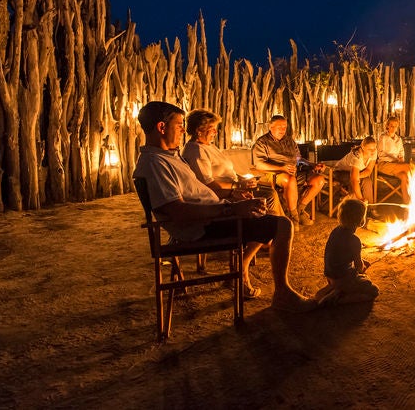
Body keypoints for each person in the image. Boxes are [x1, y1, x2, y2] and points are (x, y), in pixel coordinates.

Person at [133, 101, 315, 311]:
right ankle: (282, 292)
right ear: (161, 127)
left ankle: (249, 264)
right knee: (282, 225)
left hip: (212, 214)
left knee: (262, 208)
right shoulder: (156, 163)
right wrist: (230, 208)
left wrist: (233, 196)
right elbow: (178, 211)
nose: (184, 130)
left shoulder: (169, 157)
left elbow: (196, 193)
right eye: (180, 125)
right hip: (202, 226)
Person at [181, 108, 283, 215]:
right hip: (221, 194)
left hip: (233, 187)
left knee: (270, 192)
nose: (215, 132)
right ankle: (275, 224)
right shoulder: (196, 151)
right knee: (268, 195)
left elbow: (227, 171)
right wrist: (237, 186)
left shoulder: (209, 146)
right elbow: (208, 185)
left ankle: (280, 223)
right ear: (199, 130)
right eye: (212, 129)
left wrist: (243, 180)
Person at [252, 115, 326, 226]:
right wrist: (281, 168)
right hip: (275, 174)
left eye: (284, 127)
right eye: (279, 127)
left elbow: (298, 159)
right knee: (290, 180)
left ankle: (300, 210)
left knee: (319, 179)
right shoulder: (262, 143)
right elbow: (259, 165)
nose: (283, 130)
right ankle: (294, 217)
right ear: (271, 127)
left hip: (295, 172)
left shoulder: (289, 141)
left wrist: (312, 164)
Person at [314, 198, 379, 306]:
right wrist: (363, 266)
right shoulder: (355, 240)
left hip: (329, 275)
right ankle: (339, 298)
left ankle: (332, 287)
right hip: (342, 278)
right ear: (361, 220)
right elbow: (359, 267)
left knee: (360, 278)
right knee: (373, 290)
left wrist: (361, 262)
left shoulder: (336, 231)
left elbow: (341, 255)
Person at [333, 136, 378, 206]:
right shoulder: (357, 156)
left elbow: (368, 170)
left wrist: (358, 176)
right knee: (355, 184)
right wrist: (361, 198)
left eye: (374, 148)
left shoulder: (374, 152)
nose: (372, 151)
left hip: (355, 173)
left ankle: (370, 209)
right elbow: (354, 180)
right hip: (340, 172)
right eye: (369, 149)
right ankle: (355, 208)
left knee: (367, 181)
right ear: (363, 147)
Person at [376, 117, 412, 202]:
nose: (393, 128)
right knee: (410, 168)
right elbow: (380, 153)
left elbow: (401, 152)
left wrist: (401, 159)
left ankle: (407, 203)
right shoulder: (383, 137)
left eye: (395, 126)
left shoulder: (398, 139)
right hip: (384, 164)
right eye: (391, 126)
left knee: (404, 176)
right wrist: (396, 159)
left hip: (396, 165)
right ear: (387, 126)